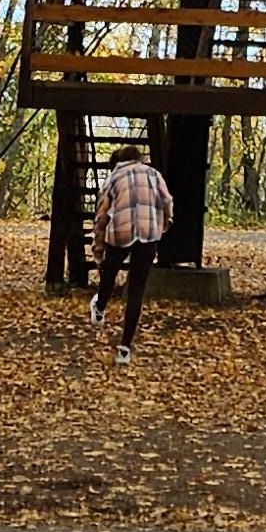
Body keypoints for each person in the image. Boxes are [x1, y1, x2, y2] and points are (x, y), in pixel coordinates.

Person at [87, 137, 172, 363]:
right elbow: (167, 201)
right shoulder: (154, 174)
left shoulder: (114, 177)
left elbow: (102, 215)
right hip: (148, 233)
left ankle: (100, 306)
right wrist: (164, 223)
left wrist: (98, 247)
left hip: (121, 230)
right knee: (136, 291)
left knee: (109, 270)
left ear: (117, 162)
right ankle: (125, 349)